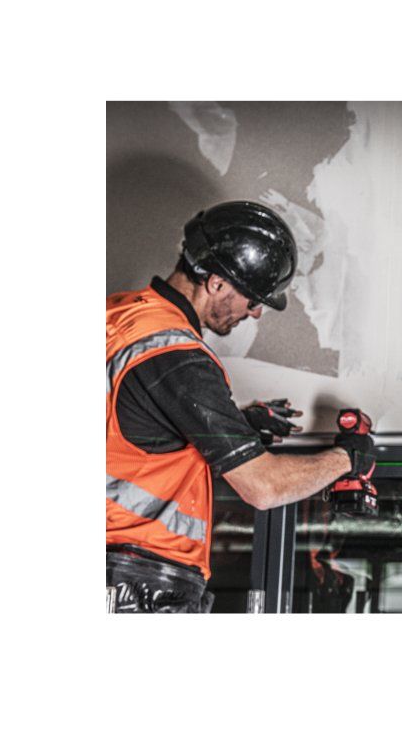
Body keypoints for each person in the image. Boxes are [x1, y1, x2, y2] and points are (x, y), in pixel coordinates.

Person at [106, 201, 374, 613]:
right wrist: (348, 458)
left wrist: (234, 425)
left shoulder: (120, 316)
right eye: (251, 299)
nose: (256, 312)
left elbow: (129, 427)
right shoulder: (176, 356)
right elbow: (263, 487)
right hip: (136, 583)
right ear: (215, 283)